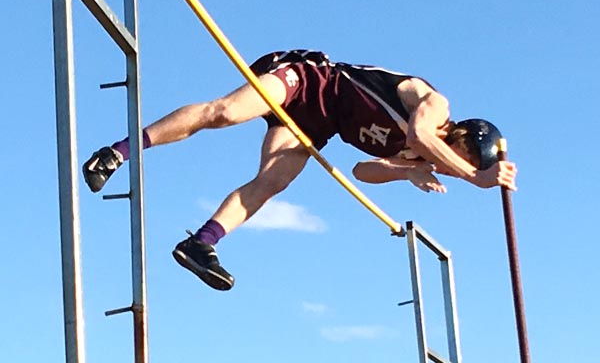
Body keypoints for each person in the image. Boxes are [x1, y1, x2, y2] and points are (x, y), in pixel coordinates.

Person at [82, 49, 517, 291]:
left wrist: (404, 173)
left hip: (316, 125)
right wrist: (471, 177)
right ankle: (118, 151)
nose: (459, 165)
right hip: (307, 79)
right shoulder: (435, 108)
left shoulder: (419, 156)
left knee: (272, 183)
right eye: (465, 157)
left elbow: (363, 171)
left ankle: (200, 243)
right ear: (464, 136)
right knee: (226, 113)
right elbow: (422, 133)